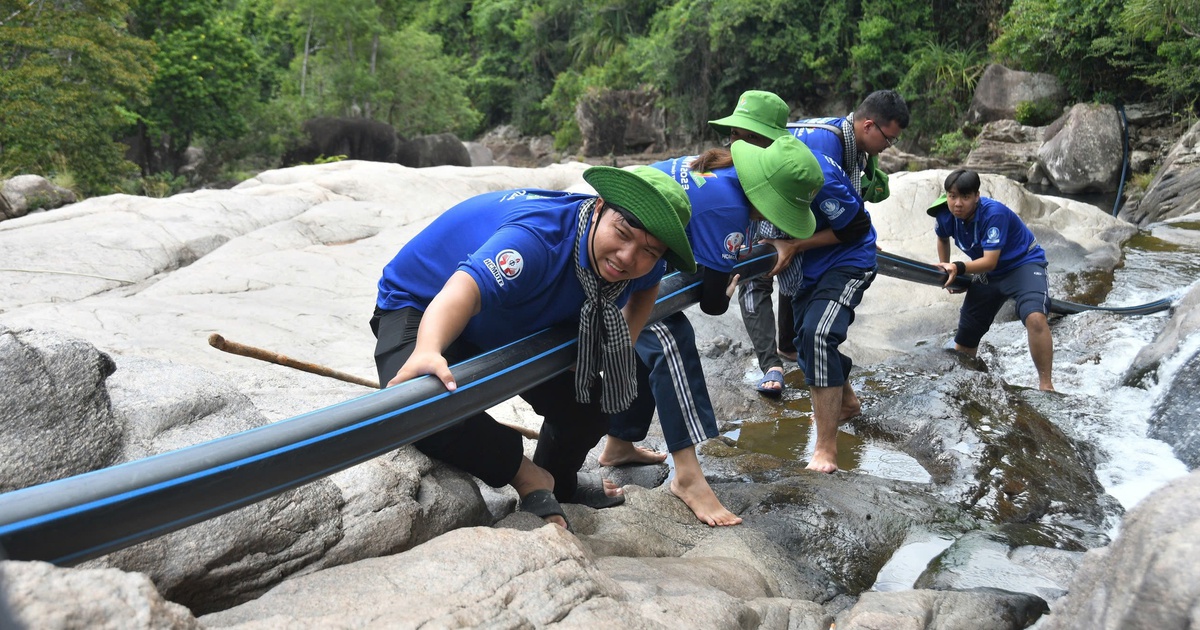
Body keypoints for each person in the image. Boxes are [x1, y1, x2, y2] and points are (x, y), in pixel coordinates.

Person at [371, 166, 695, 530]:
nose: (626, 257)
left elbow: (647, 284)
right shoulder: (538, 238)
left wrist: (624, 341)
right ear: (600, 206)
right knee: (417, 408)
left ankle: (559, 480)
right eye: (622, 234)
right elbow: (462, 290)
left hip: (512, 319)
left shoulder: (640, 259)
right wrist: (428, 350)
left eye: (648, 251)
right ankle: (528, 476)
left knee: (589, 405)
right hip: (423, 303)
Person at [599, 134, 823, 526]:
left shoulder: (721, 171)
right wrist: (726, 283)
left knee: (646, 339)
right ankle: (687, 475)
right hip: (610, 264)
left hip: (629, 259)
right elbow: (714, 302)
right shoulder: (729, 211)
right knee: (671, 337)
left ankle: (619, 443)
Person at [766, 89, 910, 473]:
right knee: (804, 341)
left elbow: (856, 228)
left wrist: (796, 245)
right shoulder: (814, 148)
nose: (887, 148)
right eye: (889, 139)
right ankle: (845, 402)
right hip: (810, 261)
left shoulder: (827, 158)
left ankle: (826, 450)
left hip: (848, 258)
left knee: (815, 336)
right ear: (868, 125)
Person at [928, 169, 1055, 391]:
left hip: (1022, 264)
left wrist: (957, 267)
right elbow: (942, 237)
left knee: (1035, 317)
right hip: (989, 275)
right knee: (966, 337)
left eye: (965, 197)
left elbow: (990, 261)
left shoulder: (993, 214)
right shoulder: (945, 214)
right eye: (952, 196)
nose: (957, 203)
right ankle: (967, 382)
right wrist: (944, 266)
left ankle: (1046, 384)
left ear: (977, 196)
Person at [709, 89, 800, 397]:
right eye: (735, 135)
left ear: (772, 143)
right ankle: (771, 363)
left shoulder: (795, 167)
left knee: (791, 275)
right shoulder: (724, 175)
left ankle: (788, 346)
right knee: (754, 280)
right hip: (751, 234)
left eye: (749, 137)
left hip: (787, 227)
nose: (737, 145)